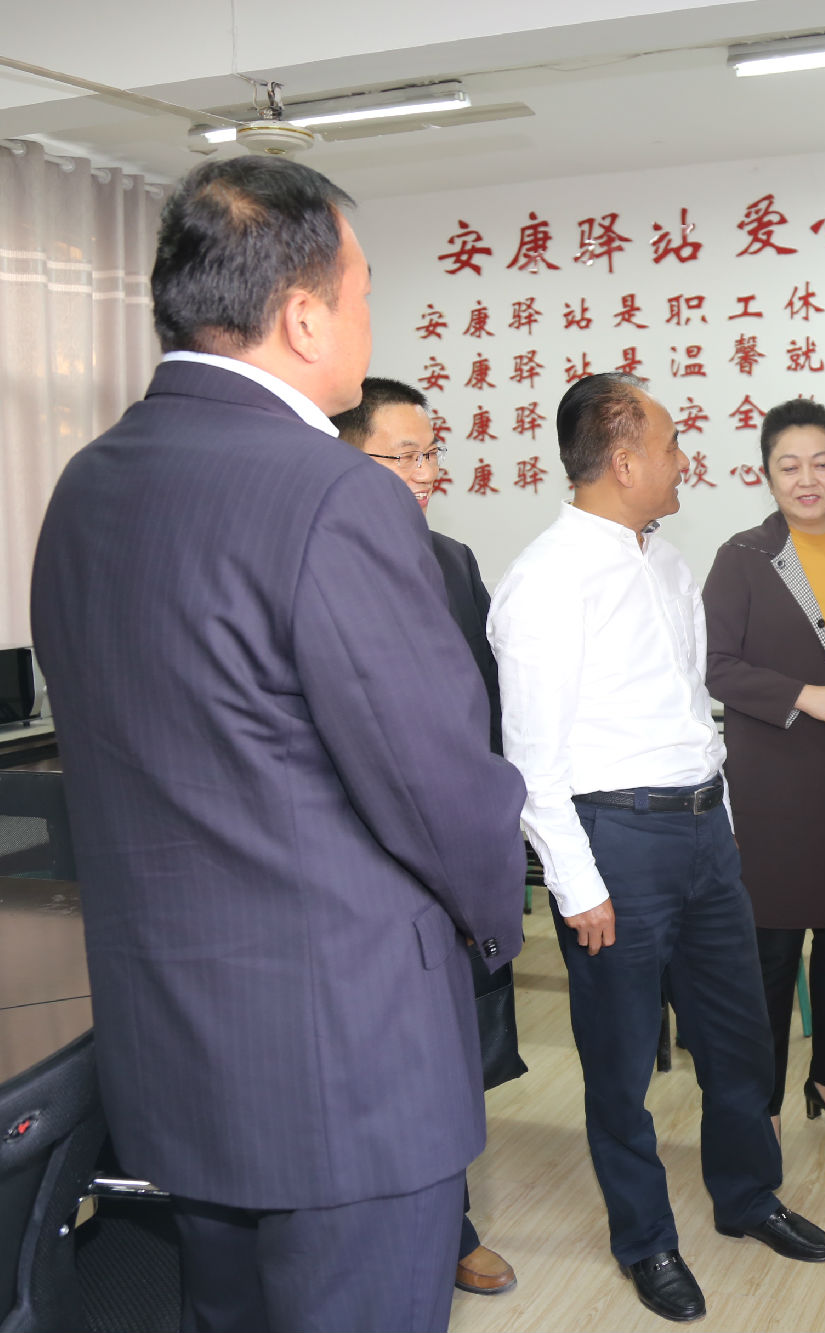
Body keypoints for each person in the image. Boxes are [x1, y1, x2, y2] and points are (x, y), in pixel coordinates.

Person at [31, 157, 525, 1333]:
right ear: (304, 317)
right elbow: (434, 782)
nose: (368, 317)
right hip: (347, 1059)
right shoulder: (334, 494)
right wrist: (491, 924)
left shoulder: (85, 487)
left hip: (175, 1047)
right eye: (363, 293)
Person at [487, 373, 825, 1324]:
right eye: (673, 445)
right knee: (621, 1060)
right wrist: (577, 884)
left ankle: (748, 1196)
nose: (686, 460)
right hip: (616, 842)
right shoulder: (546, 581)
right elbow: (531, 762)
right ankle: (645, 1239)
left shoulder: (670, 564)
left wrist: (721, 827)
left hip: (702, 831)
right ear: (624, 460)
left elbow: (692, 713)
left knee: (738, 1037)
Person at [329, 376, 518, 1299]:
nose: (425, 471)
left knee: (458, 1058)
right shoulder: (324, 560)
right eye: (399, 455)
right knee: (382, 1066)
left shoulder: (453, 561)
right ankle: (400, 1232)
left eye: (430, 453)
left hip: (454, 850)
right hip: (367, 863)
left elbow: (481, 711)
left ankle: (451, 1223)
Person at [704, 399, 825, 1146]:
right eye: (790, 466)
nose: (807, 479)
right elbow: (715, 665)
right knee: (773, 950)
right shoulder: (742, 557)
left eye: (822, 463)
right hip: (775, 784)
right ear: (767, 473)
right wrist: (802, 696)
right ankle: (767, 1099)